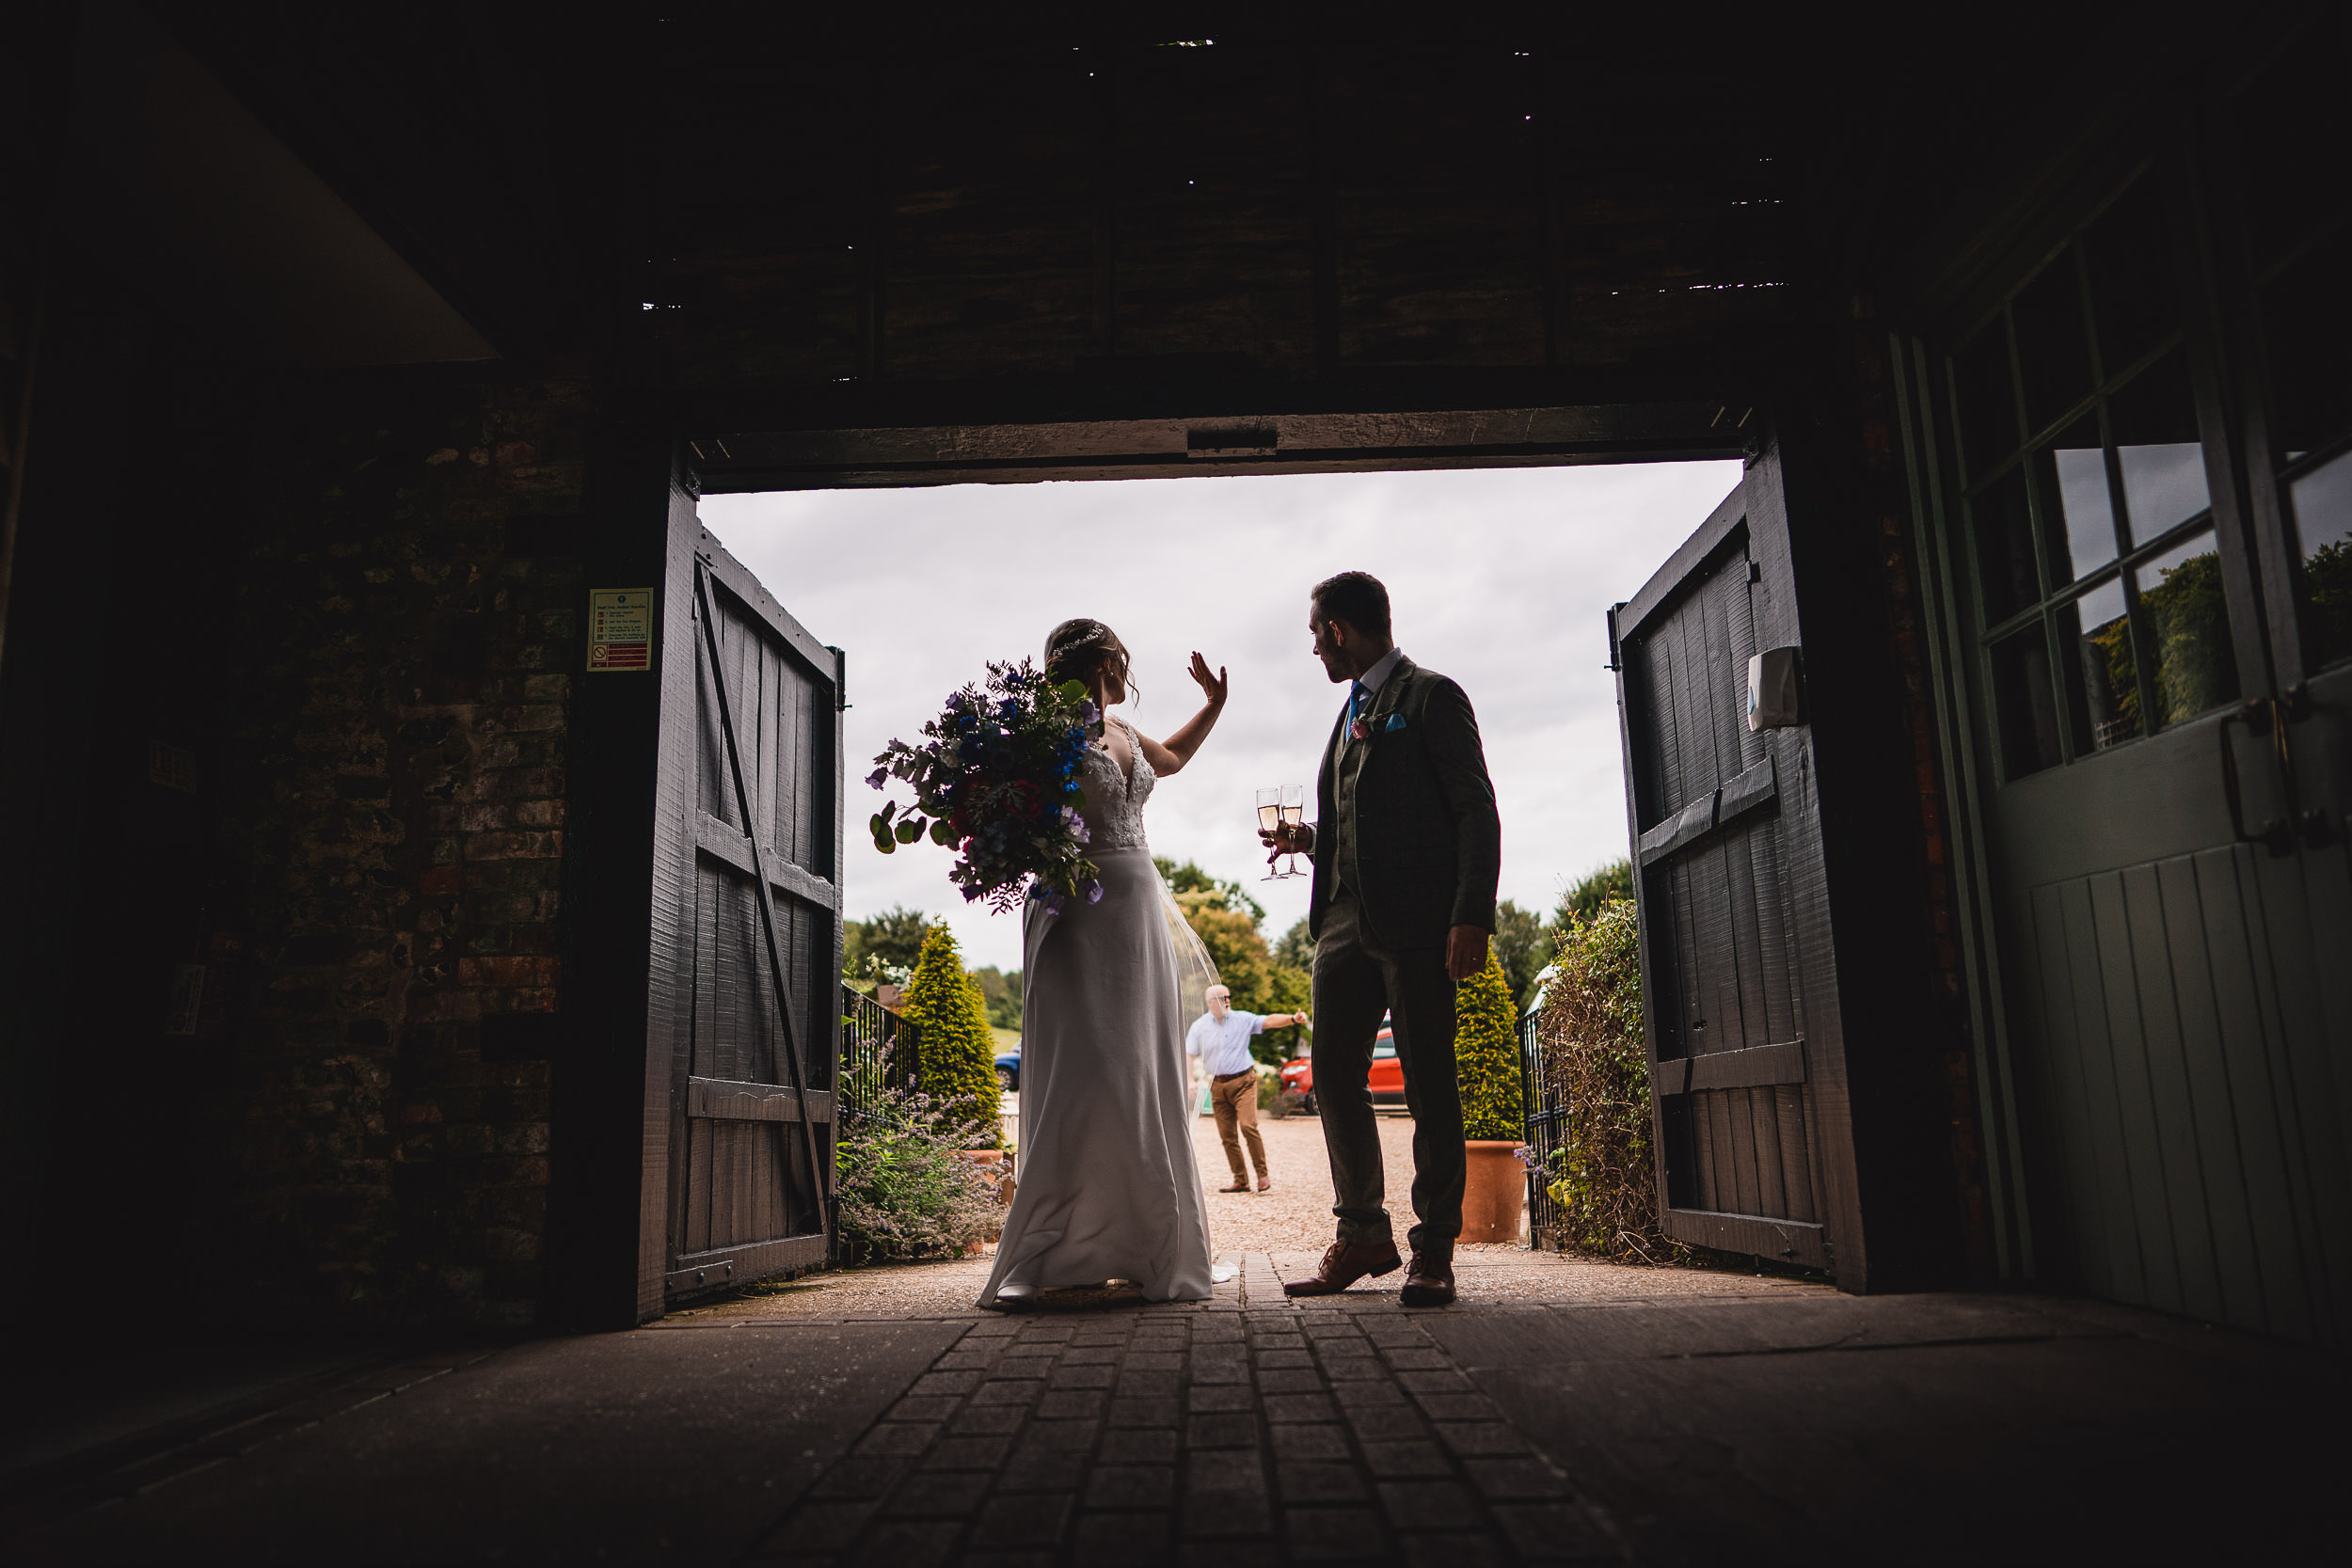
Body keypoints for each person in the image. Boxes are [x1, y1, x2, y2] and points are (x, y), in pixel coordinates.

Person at [1261, 571, 1500, 1308]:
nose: (1312, 648)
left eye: (1314, 633)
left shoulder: (1432, 695)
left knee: (1430, 1082)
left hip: (1421, 926)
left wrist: (1471, 914)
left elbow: (1475, 810)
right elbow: (1361, 815)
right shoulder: (1348, 712)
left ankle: (1433, 1250)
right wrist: (1311, 836)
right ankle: (1363, 1231)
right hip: (1339, 926)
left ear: (1338, 629)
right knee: (1332, 1074)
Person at [977, 619, 1230, 1310]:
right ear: (1102, 661)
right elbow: (994, 809)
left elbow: (1171, 758)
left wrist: (1213, 707)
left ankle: (1148, 1242)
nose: (1127, 672)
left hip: (1137, 911)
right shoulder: (1037, 736)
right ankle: (1050, 1247)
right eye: (1121, 660)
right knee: (1080, 1069)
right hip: (1072, 912)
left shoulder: (1121, 732)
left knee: (1140, 1069)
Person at [1185, 984, 1311, 1194]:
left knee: (1248, 1126)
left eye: (1228, 996)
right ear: (1209, 1003)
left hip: (1244, 1081)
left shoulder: (1242, 1019)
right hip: (1217, 1085)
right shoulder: (1199, 1027)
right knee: (1227, 1136)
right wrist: (1190, 1080)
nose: (1227, 1000)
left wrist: (1291, 1018)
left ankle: (1262, 1174)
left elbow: (1268, 1020)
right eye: (1222, 997)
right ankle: (1241, 1180)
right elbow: (1189, 1054)